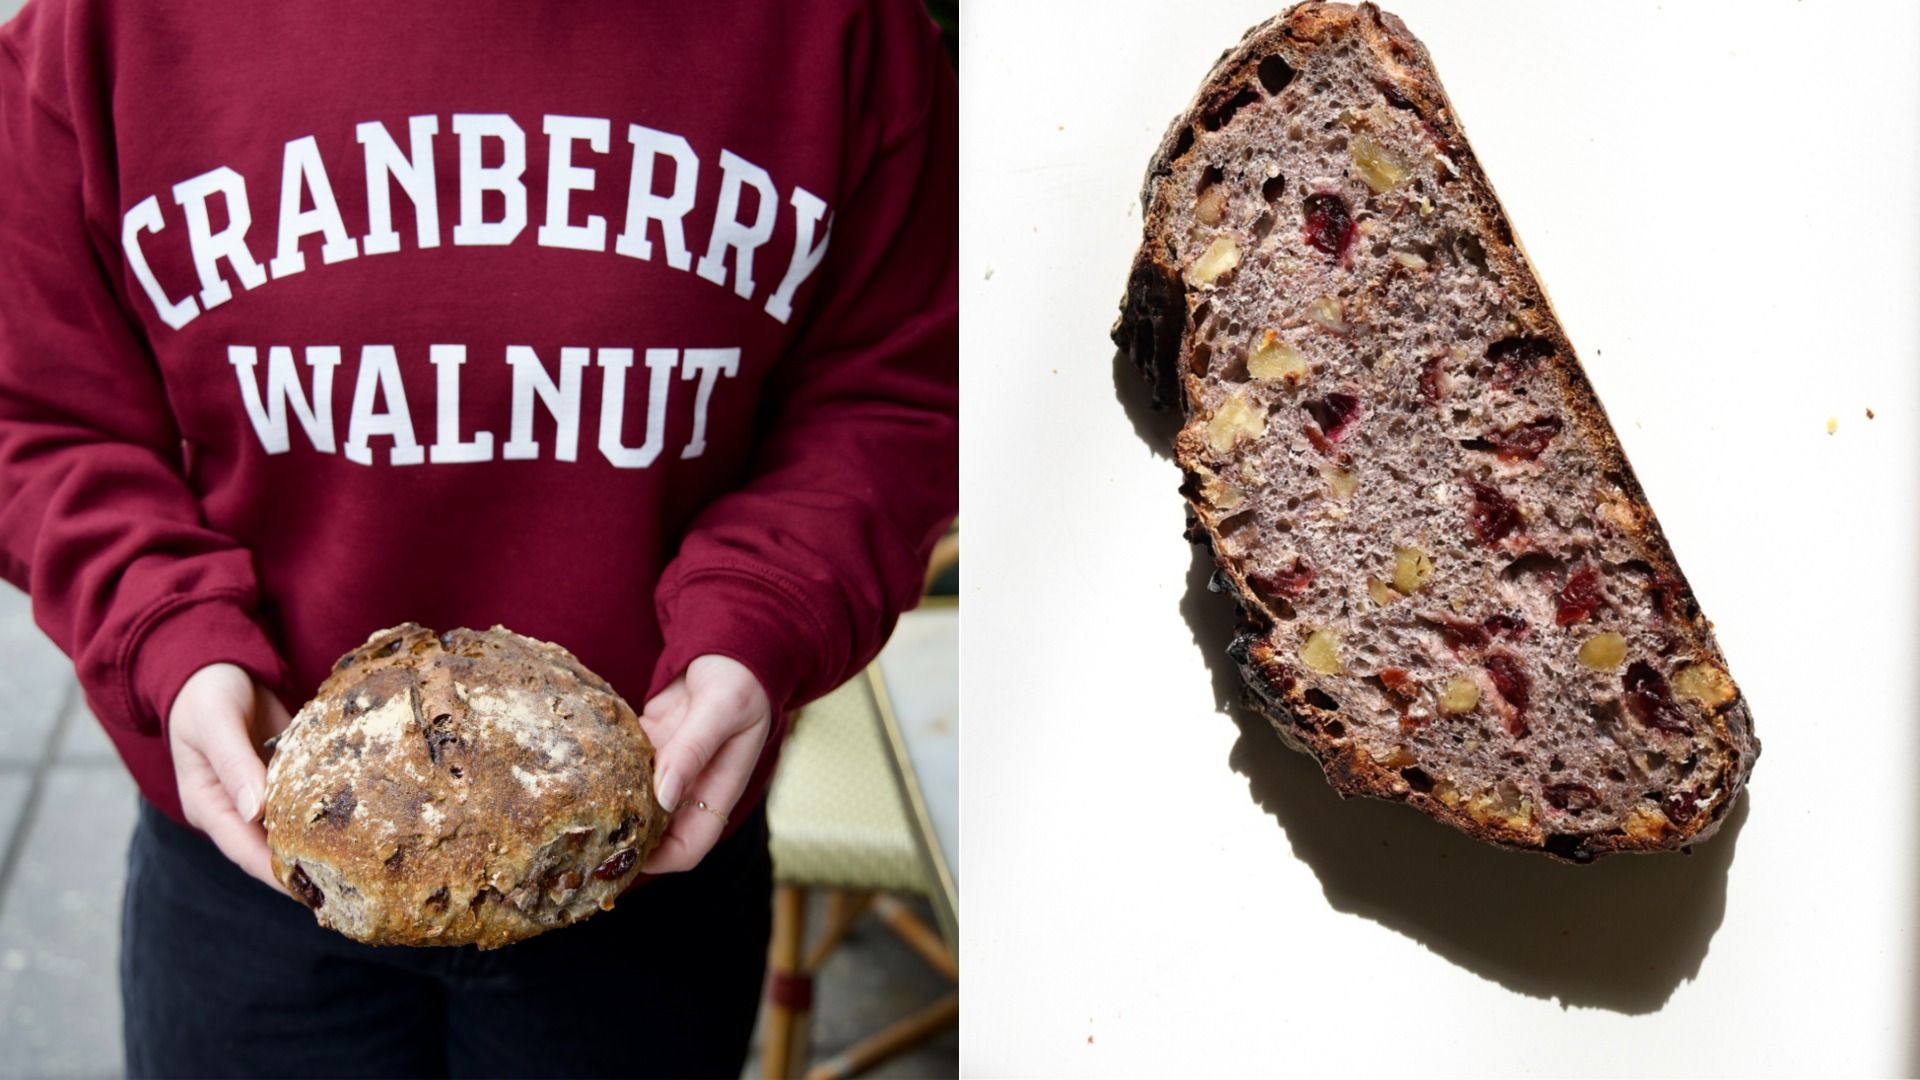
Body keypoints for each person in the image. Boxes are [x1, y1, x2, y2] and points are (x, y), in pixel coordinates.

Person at [0, 0, 957, 1074]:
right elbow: (37, 408)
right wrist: (164, 634)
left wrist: (765, 616)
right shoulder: (106, 32)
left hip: (647, 852)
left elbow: (892, 392)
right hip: (253, 848)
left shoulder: (837, 32)